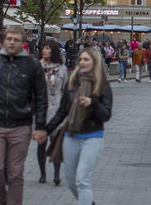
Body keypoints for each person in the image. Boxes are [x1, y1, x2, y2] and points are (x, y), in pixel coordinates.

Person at [0, 26, 47, 205]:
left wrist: (39, 126)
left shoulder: (32, 65)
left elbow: (40, 97)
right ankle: (1, 201)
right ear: (4, 40)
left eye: (16, 39)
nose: (12, 42)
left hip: (20, 125)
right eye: (9, 39)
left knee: (15, 173)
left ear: (22, 42)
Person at [46, 47, 112, 205]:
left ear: (94, 62)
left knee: (82, 180)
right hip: (71, 135)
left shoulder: (102, 84)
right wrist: (45, 129)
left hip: (93, 136)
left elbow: (106, 115)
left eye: (86, 59)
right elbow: (63, 111)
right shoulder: (72, 82)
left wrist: (93, 103)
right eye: (80, 60)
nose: (82, 62)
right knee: (71, 181)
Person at [36, 40, 67, 186]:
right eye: (43, 48)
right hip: (42, 109)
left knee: (56, 143)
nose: (44, 50)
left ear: (53, 50)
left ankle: (56, 174)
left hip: (57, 109)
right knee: (41, 143)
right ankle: (42, 173)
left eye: (47, 48)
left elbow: (65, 89)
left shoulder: (62, 69)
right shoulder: (37, 67)